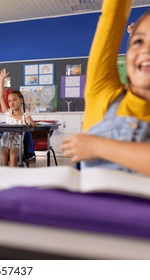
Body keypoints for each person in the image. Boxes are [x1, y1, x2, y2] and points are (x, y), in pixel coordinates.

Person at [62, 0, 150, 176]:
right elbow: (113, 14)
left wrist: (98, 146)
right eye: (138, 41)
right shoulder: (102, 92)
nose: (146, 50)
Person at [0, 68, 35, 167]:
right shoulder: (8, 113)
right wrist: (2, 80)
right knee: (2, 156)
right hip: (5, 143)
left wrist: (29, 121)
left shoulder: (25, 115)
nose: (11, 103)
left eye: (14, 100)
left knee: (13, 156)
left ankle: (13, 178)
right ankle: (5, 179)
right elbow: (1, 96)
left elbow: (31, 122)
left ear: (21, 101)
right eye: (9, 101)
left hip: (17, 144)